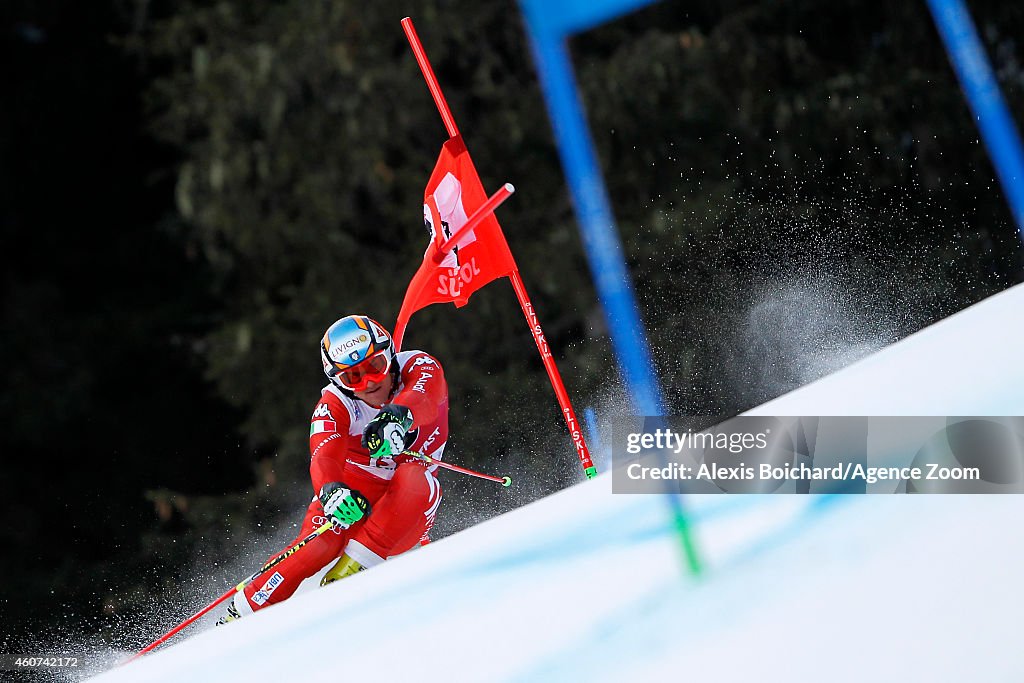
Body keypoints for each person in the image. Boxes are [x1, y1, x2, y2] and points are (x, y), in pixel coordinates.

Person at [218, 314, 448, 622]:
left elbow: (425, 397)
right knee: (317, 546)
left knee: (414, 477)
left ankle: (351, 572)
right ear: (338, 382)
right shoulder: (336, 405)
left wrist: (398, 415)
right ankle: (241, 613)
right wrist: (331, 490)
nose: (370, 382)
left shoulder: (418, 366)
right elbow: (324, 455)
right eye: (353, 378)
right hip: (358, 495)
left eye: (376, 366)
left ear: (390, 354)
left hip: (408, 510)